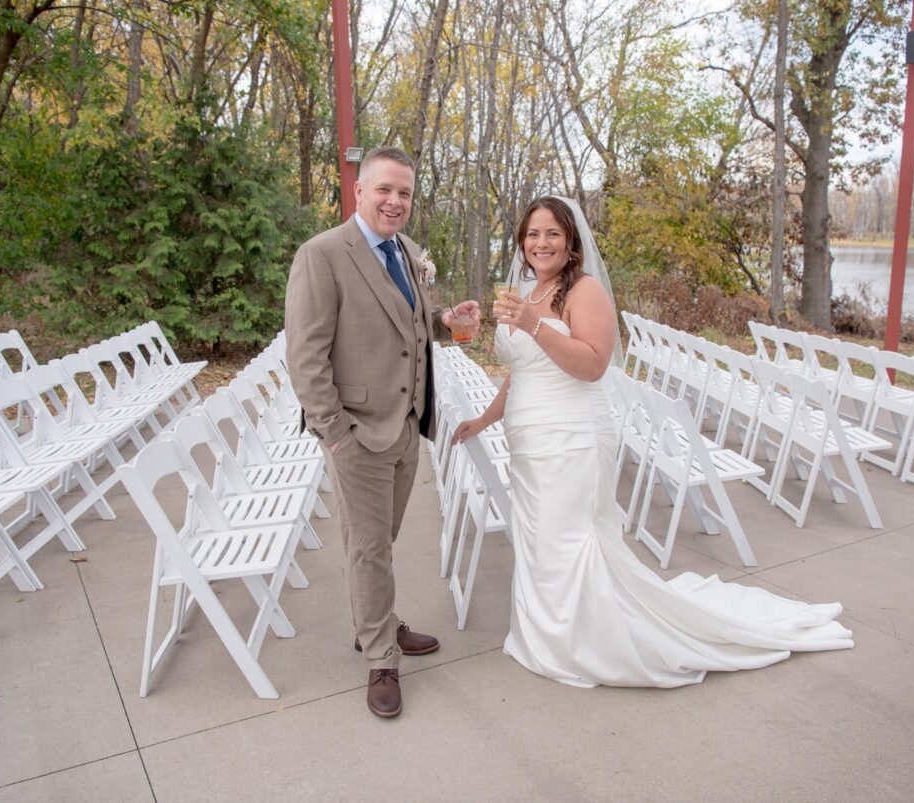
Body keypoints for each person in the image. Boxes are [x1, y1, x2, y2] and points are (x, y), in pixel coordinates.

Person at [452, 196, 853, 688]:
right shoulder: (525, 292)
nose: (541, 243)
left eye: (552, 233)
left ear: (571, 240)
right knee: (541, 540)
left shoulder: (586, 291)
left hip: (572, 435)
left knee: (571, 538)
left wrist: (533, 326)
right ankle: (547, 636)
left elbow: (592, 364)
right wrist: (484, 419)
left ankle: (589, 644)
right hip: (528, 439)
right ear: (521, 242)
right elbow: (522, 372)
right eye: (533, 234)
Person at [285, 146, 480, 717]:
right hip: (356, 433)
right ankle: (380, 658)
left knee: (379, 541)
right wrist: (335, 433)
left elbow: (408, 328)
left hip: (406, 426)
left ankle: (376, 620)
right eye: (385, 190)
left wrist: (445, 322)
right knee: (370, 548)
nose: (396, 202)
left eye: (406, 194)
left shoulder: (409, 252)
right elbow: (306, 357)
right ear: (360, 192)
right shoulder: (322, 255)